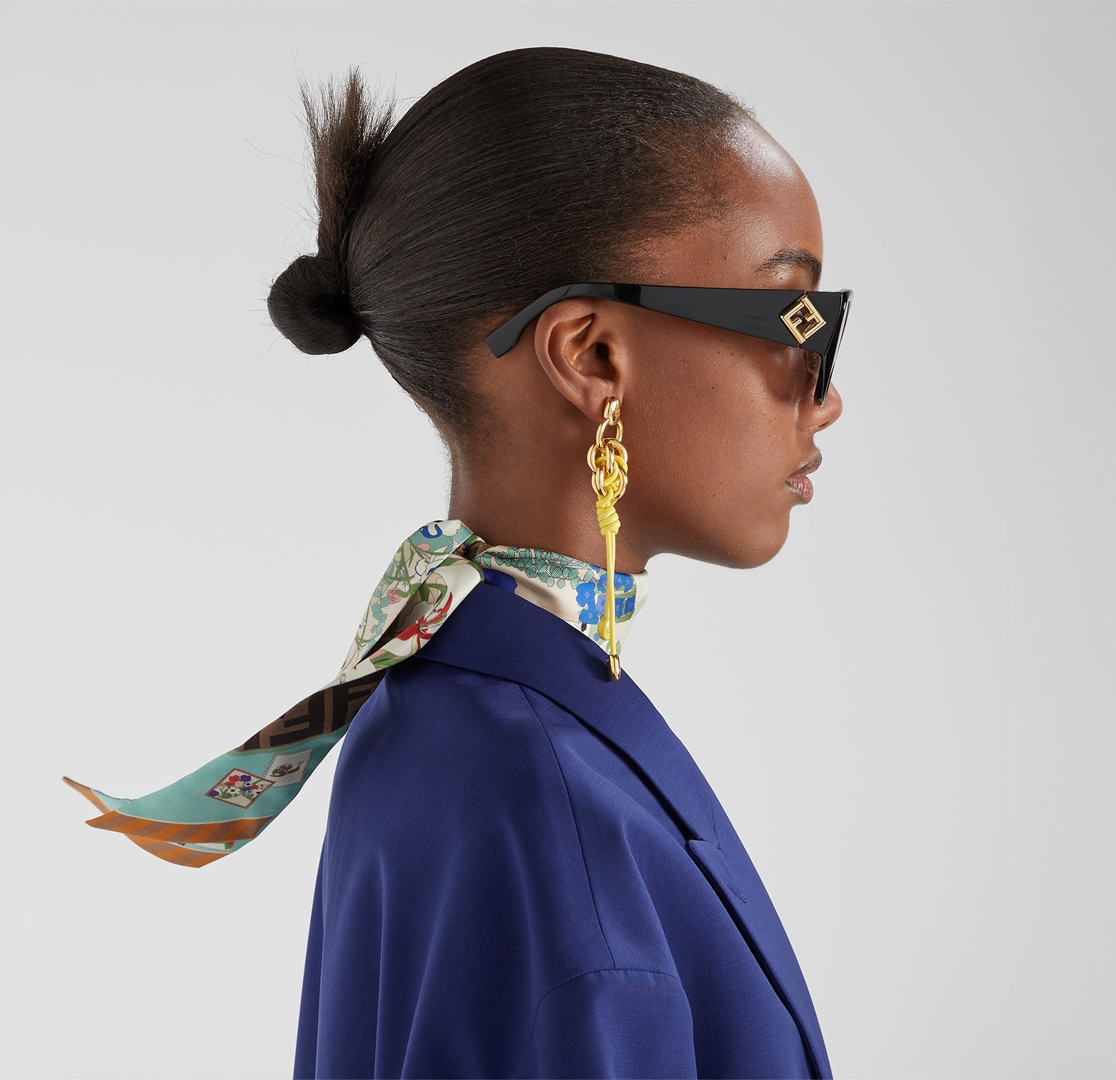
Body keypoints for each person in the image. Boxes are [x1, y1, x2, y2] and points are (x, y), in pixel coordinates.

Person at [66, 46, 849, 1079]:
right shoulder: (547, 801)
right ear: (591, 354)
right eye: (797, 320)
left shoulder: (432, 709)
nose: (824, 396)